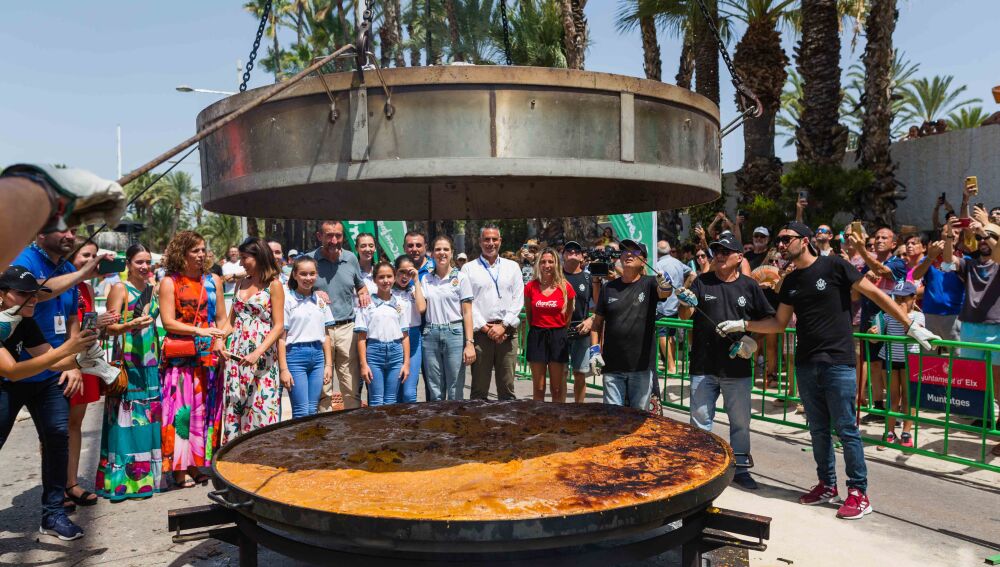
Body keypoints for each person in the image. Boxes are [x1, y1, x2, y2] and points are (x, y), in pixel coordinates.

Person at [739, 222, 938, 520]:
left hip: (838, 361)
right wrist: (743, 325)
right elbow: (779, 324)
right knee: (818, 429)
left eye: (786, 239)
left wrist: (909, 325)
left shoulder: (835, 266)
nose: (780, 245)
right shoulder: (791, 281)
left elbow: (876, 294)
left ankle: (859, 492)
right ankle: (827, 485)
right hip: (807, 363)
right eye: (778, 240)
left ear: (805, 240)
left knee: (846, 429)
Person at [0, 266, 102, 540]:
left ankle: (54, 514)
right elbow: (12, 371)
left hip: (43, 383)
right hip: (7, 384)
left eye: (35, 294)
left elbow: (53, 360)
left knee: (57, 436)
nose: (32, 299)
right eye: (24, 293)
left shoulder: (24, 320)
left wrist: (84, 359)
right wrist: (66, 349)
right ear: (2, 294)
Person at [677, 233, 776, 490]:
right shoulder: (702, 281)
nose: (719, 256)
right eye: (716, 251)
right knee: (700, 422)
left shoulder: (749, 286)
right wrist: (684, 302)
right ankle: (702, 468)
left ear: (739, 257)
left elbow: (769, 321)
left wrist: (750, 341)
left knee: (740, 424)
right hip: (703, 366)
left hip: (737, 368)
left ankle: (740, 469)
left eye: (725, 251)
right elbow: (685, 315)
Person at [158, 231, 229, 488]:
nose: (201, 255)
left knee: (204, 412)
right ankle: (179, 468)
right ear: (182, 253)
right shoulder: (170, 282)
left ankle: (197, 464)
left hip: (209, 357)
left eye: (203, 249)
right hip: (182, 359)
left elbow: (222, 319)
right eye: (195, 250)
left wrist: (220, 339)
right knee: (182, 413)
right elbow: (168, 322)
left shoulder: (213, 281)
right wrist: (199, 331)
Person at [98, 243, 163, 501]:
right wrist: (130, 324)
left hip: (150, 362)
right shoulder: (120, 289)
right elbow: (107, 328)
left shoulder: (151, 288)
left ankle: (147, 480)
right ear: (128, 264)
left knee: (146, 421)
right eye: (139, 262)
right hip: (128, 363)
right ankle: (123, 482)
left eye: (148, 262)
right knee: (126, 421)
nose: (145, 266)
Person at [589, 239, 672, 410]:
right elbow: (596, 324)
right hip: (612, 367)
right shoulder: (608, 288)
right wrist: (594, 351)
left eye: (635, 252)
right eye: (624, 251)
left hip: (640, 368)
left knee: (638, 418)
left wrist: (666, 285)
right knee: (613, 418)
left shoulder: (650, 283)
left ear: (644, 261)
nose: (628, 254)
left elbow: (664, 292)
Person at [942, 213, 1000, 455]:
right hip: (970, 328)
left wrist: (984, 229)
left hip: (996, 329)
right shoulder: (970, 264)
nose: (983, 240)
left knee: (999, 384)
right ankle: (987, 422)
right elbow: (947, 262)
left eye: (990, 237)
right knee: (979, 383)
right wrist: (948, 235)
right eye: (981, 237)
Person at [0, 164, 126, 269]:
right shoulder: (24, 258)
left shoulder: (68, 267)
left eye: (73, 231)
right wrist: (46, 188)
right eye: (62, 230)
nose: (71, 236)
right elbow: (27, 290)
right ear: (42, 233)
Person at [221, 238, 285, 443]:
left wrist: (257, 353)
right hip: (237, 358)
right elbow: (231, 322)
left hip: (262, 358)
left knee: (260, 410)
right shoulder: (241, 283)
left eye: (244, 258)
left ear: (259, 256)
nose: (241, 263)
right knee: (236, 406)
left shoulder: (274, 285)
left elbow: (278, 326)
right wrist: (220, 339)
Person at [308, 221, 372, 411]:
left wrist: (363, 293)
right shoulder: (309, 260)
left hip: (347, 329)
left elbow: (360, 286)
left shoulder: (351, 258)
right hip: (320, 331)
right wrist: (313, 293)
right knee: (323, 388)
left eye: (338, 235)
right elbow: (294, 291)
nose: (334, 240)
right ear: (319, 236)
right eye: (329, 235)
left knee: (351, 387)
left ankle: (352, 426)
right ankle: (325, 426)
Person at [851, 227, 907, 425]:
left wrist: (862, 251)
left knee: (889, 368)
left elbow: (883, 271)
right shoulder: (867, 266)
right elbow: (855, 295)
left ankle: (894, 412)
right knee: (873, 364)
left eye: (885, 238)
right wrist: (864, 279)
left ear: (894, 244)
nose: (880, 240)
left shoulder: (898, 263)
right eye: (877, 237)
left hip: (890, 322)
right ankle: (878, 407)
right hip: (868, 320)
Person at [462, 225, 523, 401]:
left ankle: (507, 419)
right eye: (486, 239)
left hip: (507, 333)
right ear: (480, 242)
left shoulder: (513, 267)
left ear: (500, 241)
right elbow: (468, 303)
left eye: (494, 239)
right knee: (479, 391)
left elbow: (518, 299)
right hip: (482, 334)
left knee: (507, 390)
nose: (490, 243)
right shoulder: (468, 268)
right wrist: (486, 328)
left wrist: (503, 325)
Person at [65, 241, 102, 509]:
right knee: (56, 427)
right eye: (85, 255)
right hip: (63, 362)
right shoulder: (58, 285)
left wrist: (101, 324)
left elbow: (87, 326)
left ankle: (71, 483)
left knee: (75, 424)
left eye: (94, 256)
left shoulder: (87, 288)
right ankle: (56, 486)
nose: (91, 260)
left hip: (85, 360)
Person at [868, 280, 922, 450]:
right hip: (890, 359)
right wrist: (872, 333)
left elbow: (915, 332)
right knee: (892, 397)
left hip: (909, 361)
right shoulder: (886, 315)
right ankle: (889, 431)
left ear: (913, 298)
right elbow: (875, 338)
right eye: (897, 298)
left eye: (904, 299)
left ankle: (906, 432)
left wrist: (903, 315)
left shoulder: (918, 316)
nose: (899, 302)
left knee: (908, 398)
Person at [421, 235, 475, 400]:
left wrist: (469, 343)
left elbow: (467, 312)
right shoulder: (426, 279)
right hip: (430, 334)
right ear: (432, 254)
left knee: (455, 387)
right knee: (435, 388)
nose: (442, 253)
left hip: (455, 333)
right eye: (438, 249)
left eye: (446, 249)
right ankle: (438, 416)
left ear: (452, 253)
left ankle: (454, 416)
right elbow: (421, 307)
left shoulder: (461, 278)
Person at [279, 256, 334, 418]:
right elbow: (281, 338)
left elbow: (326, 335)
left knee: (312, 410)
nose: (308, 278)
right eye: (303, 274)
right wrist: (284, 369)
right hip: (295, 357)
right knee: (301, 411)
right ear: (294, 275)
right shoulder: (287, 299)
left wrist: (328, 365)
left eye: (312, 273)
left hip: (317, 357)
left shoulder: (321, 300)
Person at [524, 248, 575, 402]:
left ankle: (556, 416)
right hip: (537, 335)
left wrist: (558, 330)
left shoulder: (565, 287)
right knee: (539, 388)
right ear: (538, 264)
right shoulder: (530, 287)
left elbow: (568, 316)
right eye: (543, 262)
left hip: (558, 336)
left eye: (551, 262)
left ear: (557, 264)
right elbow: (529, 314)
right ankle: (539, 416)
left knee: (557, 389)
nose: (547, 265)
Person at [356, 262, 411, 406]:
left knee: (391, 400)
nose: (385, 280)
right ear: (374, 279)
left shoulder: (400, 304)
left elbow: (405, 336)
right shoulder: (366, 304)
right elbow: (361, 338)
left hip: (396, 353)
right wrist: (363, 364)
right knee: (376, 400)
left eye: (389, 276)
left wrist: (406, 363)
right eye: (381, 277)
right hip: (374, 354)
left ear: (394, 278)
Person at [911, 226, 965, 344]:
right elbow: (916, 276)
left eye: (956, 232)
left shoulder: (964, 259)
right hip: (929, 314)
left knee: (958, 354)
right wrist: (931, 257)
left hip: (955, 315)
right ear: (941, 235)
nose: (952, 235)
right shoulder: (928, 259)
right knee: (928, 353)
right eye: (948, 232)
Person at [562, 241, 596, 403]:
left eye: (577, 251)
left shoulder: (589, 278)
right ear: (563, 255)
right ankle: (559, 409)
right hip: (559, 329)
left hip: (581, 329)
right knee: (560, 373)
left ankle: (579, 409)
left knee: (580, 373)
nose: (573, 253)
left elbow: (600, 305)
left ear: (582, 257)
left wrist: (591, 320)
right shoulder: (556, 276)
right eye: (568, 250)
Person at [655, 240, 694, 376]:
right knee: (670, 334)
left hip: (662, 304)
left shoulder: (657, 265)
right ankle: (671, 365)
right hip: (675, 304)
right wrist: (682, 289)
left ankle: (671, 366)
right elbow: (693, 274)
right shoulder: (678, 262)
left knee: (663, 334)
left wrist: (682, 289)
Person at [392, 256, 426, 403]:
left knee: (409, 393)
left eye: (409, 272)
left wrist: (416, 281)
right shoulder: (388, 291)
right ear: (395, 271)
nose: (405, 276)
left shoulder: (415, 289)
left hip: (413, 339)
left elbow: (422, 308)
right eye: (401, 272)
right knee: (395, 391)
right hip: (394, 340)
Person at [355, 232, 378, 299]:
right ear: (356, 248)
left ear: (375, 248)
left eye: (371, 246)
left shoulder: (380, 272)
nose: (367, 249)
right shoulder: (352, 273)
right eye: (363, 246)